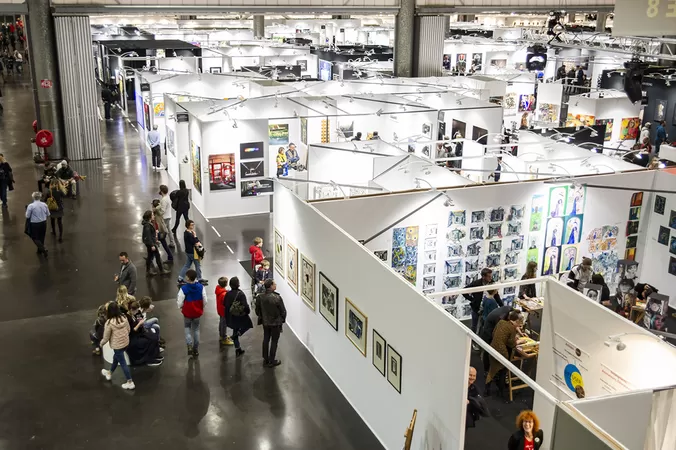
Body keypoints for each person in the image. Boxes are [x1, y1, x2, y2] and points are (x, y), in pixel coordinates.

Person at [485, 311, 526, 399]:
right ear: (517, 321)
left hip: (492, 349)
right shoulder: (511, 328)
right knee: (502, 372)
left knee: (492, 370)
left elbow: (495, 334)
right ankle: (501, 392)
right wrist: (520, 341)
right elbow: (512, 344)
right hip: (502, 353)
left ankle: (487, 389)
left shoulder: (501, 322)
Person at [100, 302, 136, 389]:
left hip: (117, 346)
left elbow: (106, 337)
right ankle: (109, 373)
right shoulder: (124, 317)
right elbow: (128, 329)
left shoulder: (109, 323)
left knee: (123, 363)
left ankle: (130, 382)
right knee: (116, 358)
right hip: (126, 343)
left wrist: (101, 344)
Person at [255, 279, 287, 367]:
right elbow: (283, 311)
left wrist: (262, 316)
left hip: (265, 322)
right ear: (271, 286)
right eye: (274, 284)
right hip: (275, 323)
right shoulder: (277, 297)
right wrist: (282, 320)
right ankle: (272, 360)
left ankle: (265, 358)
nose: (276, 285)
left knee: (266, 339)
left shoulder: (260, 297)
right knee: (274, 341)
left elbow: (257, 311)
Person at [177, 269, 207, 358]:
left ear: (189, 278)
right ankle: (196, 349)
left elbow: (180, 301)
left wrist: (180, 307)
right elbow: (205, 299)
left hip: (187, 312)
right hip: (197, 312)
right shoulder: (201, 287)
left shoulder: (184, 288)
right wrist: (202, 307)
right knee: (196, 329)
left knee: (187, 327)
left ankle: (189, 344)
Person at [463, 268, 502, 334]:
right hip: (477, 308)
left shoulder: (491, 283)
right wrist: (472, 300)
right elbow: (464, 291)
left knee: (484, 325)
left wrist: (502, 306)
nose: (490, 278)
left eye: (491, 276)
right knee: (474, 326)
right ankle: (472, 340)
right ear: (483, 277)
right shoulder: (476, 283)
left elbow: (496, 296)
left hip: (486, 309)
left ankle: (480, 338)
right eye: (489, 276)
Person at [224, 277, 254, 358]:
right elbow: (245, 306)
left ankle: (238, 349)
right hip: (240, 315)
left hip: (232, 316)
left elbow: (225, 304)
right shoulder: (240, 294)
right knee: (248, 325)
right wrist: (247, 312)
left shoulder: (227, 294)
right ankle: (238, 334)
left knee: (235, 329)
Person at [480, 305, 511, 373]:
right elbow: (498, 331)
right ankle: (486, 370)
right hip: (488, 334)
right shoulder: (500, 317)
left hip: (490, 329)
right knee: (488, 351)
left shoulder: (506, 311)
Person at [178, 219, 207, 285]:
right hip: (192, 252)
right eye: (192, 225)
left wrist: (196, 240)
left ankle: (180, 278)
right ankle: (199, 279)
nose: (193, 226)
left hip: (189, 252)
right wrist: (195, 236)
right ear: (188, 226)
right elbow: (195, 242)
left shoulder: (187, 232)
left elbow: (196, 242)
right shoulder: (189, 234)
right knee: (197, 265)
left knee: (187, 265)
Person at [141, 210, 166, 276]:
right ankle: (161, 270)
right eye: (152, 215)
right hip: (151, 244)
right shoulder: (147, 225)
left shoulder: (148, 223)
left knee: (150, 257)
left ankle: (148, 271)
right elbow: (148, 236)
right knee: (157, 256)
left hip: (150, 243)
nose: (153, 216)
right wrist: (152, 245)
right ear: (149, 216)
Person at [25, 191, 50, 256]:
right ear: (40, 197)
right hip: (43, 223)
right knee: (42, 237)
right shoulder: (44, 204)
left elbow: (27, 216)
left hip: (34, 223)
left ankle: (43, 249)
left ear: (33, 197)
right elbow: (48, 214)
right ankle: (39, 250)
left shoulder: (31, 206)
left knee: (34, 237)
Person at [216, 277, 234, 347]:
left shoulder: (218, 289)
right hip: (224, 311)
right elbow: (226, 303)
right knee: (224, 324)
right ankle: (224, 337)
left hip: (220, 310)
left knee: (221, 322)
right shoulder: (224, 294)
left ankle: (221, 335)